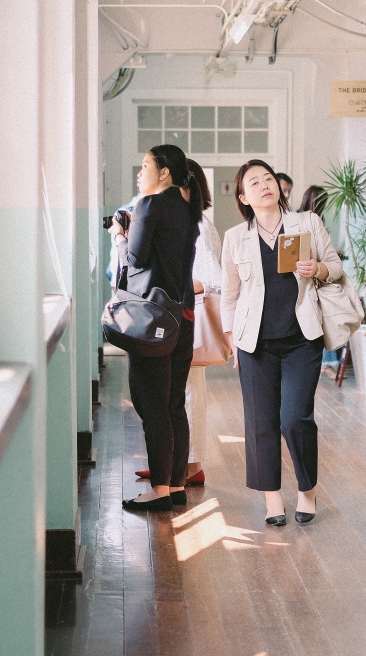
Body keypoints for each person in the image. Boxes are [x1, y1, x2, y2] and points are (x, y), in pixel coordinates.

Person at [220, 160, 342, 526]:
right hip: (255, 343)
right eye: (254, 183)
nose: (264, 186)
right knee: (260, 422)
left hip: (302, 338)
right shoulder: (235, 237)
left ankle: (307, 490)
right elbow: (230, 295)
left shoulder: (307, 223)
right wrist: (232, 341)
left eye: (268, 178)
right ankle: (272, 499)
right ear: (243, 197)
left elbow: (335, 267)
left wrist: (317, 269)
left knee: (294, 419)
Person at [110, 144, 204, 512]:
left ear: (164, 172)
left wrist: (120, 235)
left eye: (146, 165)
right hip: (183, 316)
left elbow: (135, 260)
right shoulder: (187, 209)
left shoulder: (149, 205)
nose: (140, 172)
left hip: (152, 318)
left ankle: (161, 489)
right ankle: (177, 484)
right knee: (173, 403)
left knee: (151, 403)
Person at [134, 158, 220, 487]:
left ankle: (188, 465)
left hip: (186, 317)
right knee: (176, 394)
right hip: (176, 315)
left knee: (186, 394)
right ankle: (173, 462)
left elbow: (212, 278)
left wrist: (173, 285)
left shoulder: (196, 223)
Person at [296, 185, 342, 376]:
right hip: (309, 283)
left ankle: (327, 362)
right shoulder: (301, 221)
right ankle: (326, 363)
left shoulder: (313, 220)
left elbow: (329, 260)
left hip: (318, 278)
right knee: (319, 322)